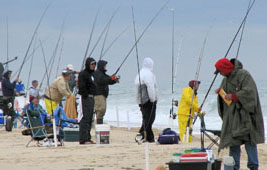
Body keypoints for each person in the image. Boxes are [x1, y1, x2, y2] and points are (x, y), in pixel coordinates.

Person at [214, 58, 264, 170]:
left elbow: (250, 92)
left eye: (221, 71)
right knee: (233, 142)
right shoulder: (225, 80)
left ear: (226, 68)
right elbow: (225, 97)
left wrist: (235, 96)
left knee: (249, 141)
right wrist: (220, 93)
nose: (221, 74)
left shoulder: (244, 75)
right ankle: (234, 167)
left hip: (245, 116)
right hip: (232, 118)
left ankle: (253, 166)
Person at [135, 57, 157, 143]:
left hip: (140, 100)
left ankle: (149, 137)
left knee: (146, 118)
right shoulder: (148, 74)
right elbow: (150, 87)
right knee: (150, 119)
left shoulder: (140, 73)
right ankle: (140, 135)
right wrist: (153, 99)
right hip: (148, 100)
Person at [94, 60, 119, 124]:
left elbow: (109, 81)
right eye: (104, 66)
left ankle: (100, 124)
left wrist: (114, 80)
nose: (105, 67)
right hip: (98, 95)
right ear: (101, 66)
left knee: (102, 110)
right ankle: (99, 124)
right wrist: (111, 78)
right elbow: (101, 81)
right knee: (101, 109)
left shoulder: (103, 74)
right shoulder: (97, 73)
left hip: (102, 95)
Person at [78, 57, 97, 144]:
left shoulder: (92, 74)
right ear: (88, 64)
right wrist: (85, 94)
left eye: (94, 64)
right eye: (91, 64)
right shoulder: (83, 74)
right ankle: (83, 139)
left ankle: (88, 138)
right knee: (85, 118)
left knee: (90, 118)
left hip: (91, 98)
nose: (93, 66)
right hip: (85, 98)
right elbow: (81, 86)